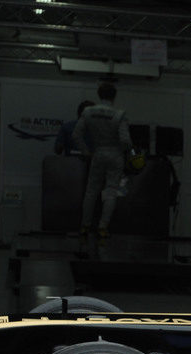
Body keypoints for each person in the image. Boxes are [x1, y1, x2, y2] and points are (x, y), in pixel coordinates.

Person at [73, 82, 132, 238]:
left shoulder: (88, 112)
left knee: (91, 190)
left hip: (98, 153)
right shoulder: (119, 114)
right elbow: (125, 141)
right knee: (111, 191)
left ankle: (85, 226)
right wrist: (127, 152)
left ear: (99, 95)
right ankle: (102, 228)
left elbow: (76, 135)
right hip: (116, 155)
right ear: (114, 96)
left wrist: (86, 152)